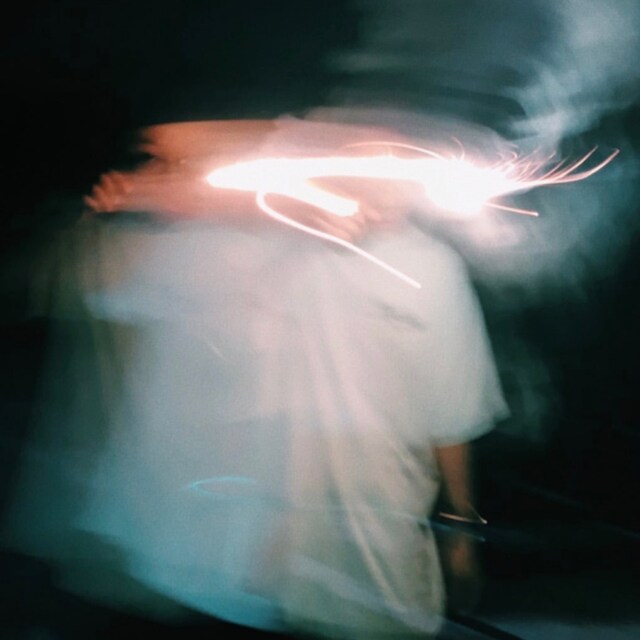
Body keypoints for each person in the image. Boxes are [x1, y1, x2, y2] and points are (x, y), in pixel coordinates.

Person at [5, 114, 508, 639]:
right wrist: (141, 203)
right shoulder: (273, 248)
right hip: (261, 555)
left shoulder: (431, 269)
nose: (379, 174)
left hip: (375, 534)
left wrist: (461, 531)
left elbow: (453, 413)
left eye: (397, 162)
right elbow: (167, 184)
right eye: (363, 155)